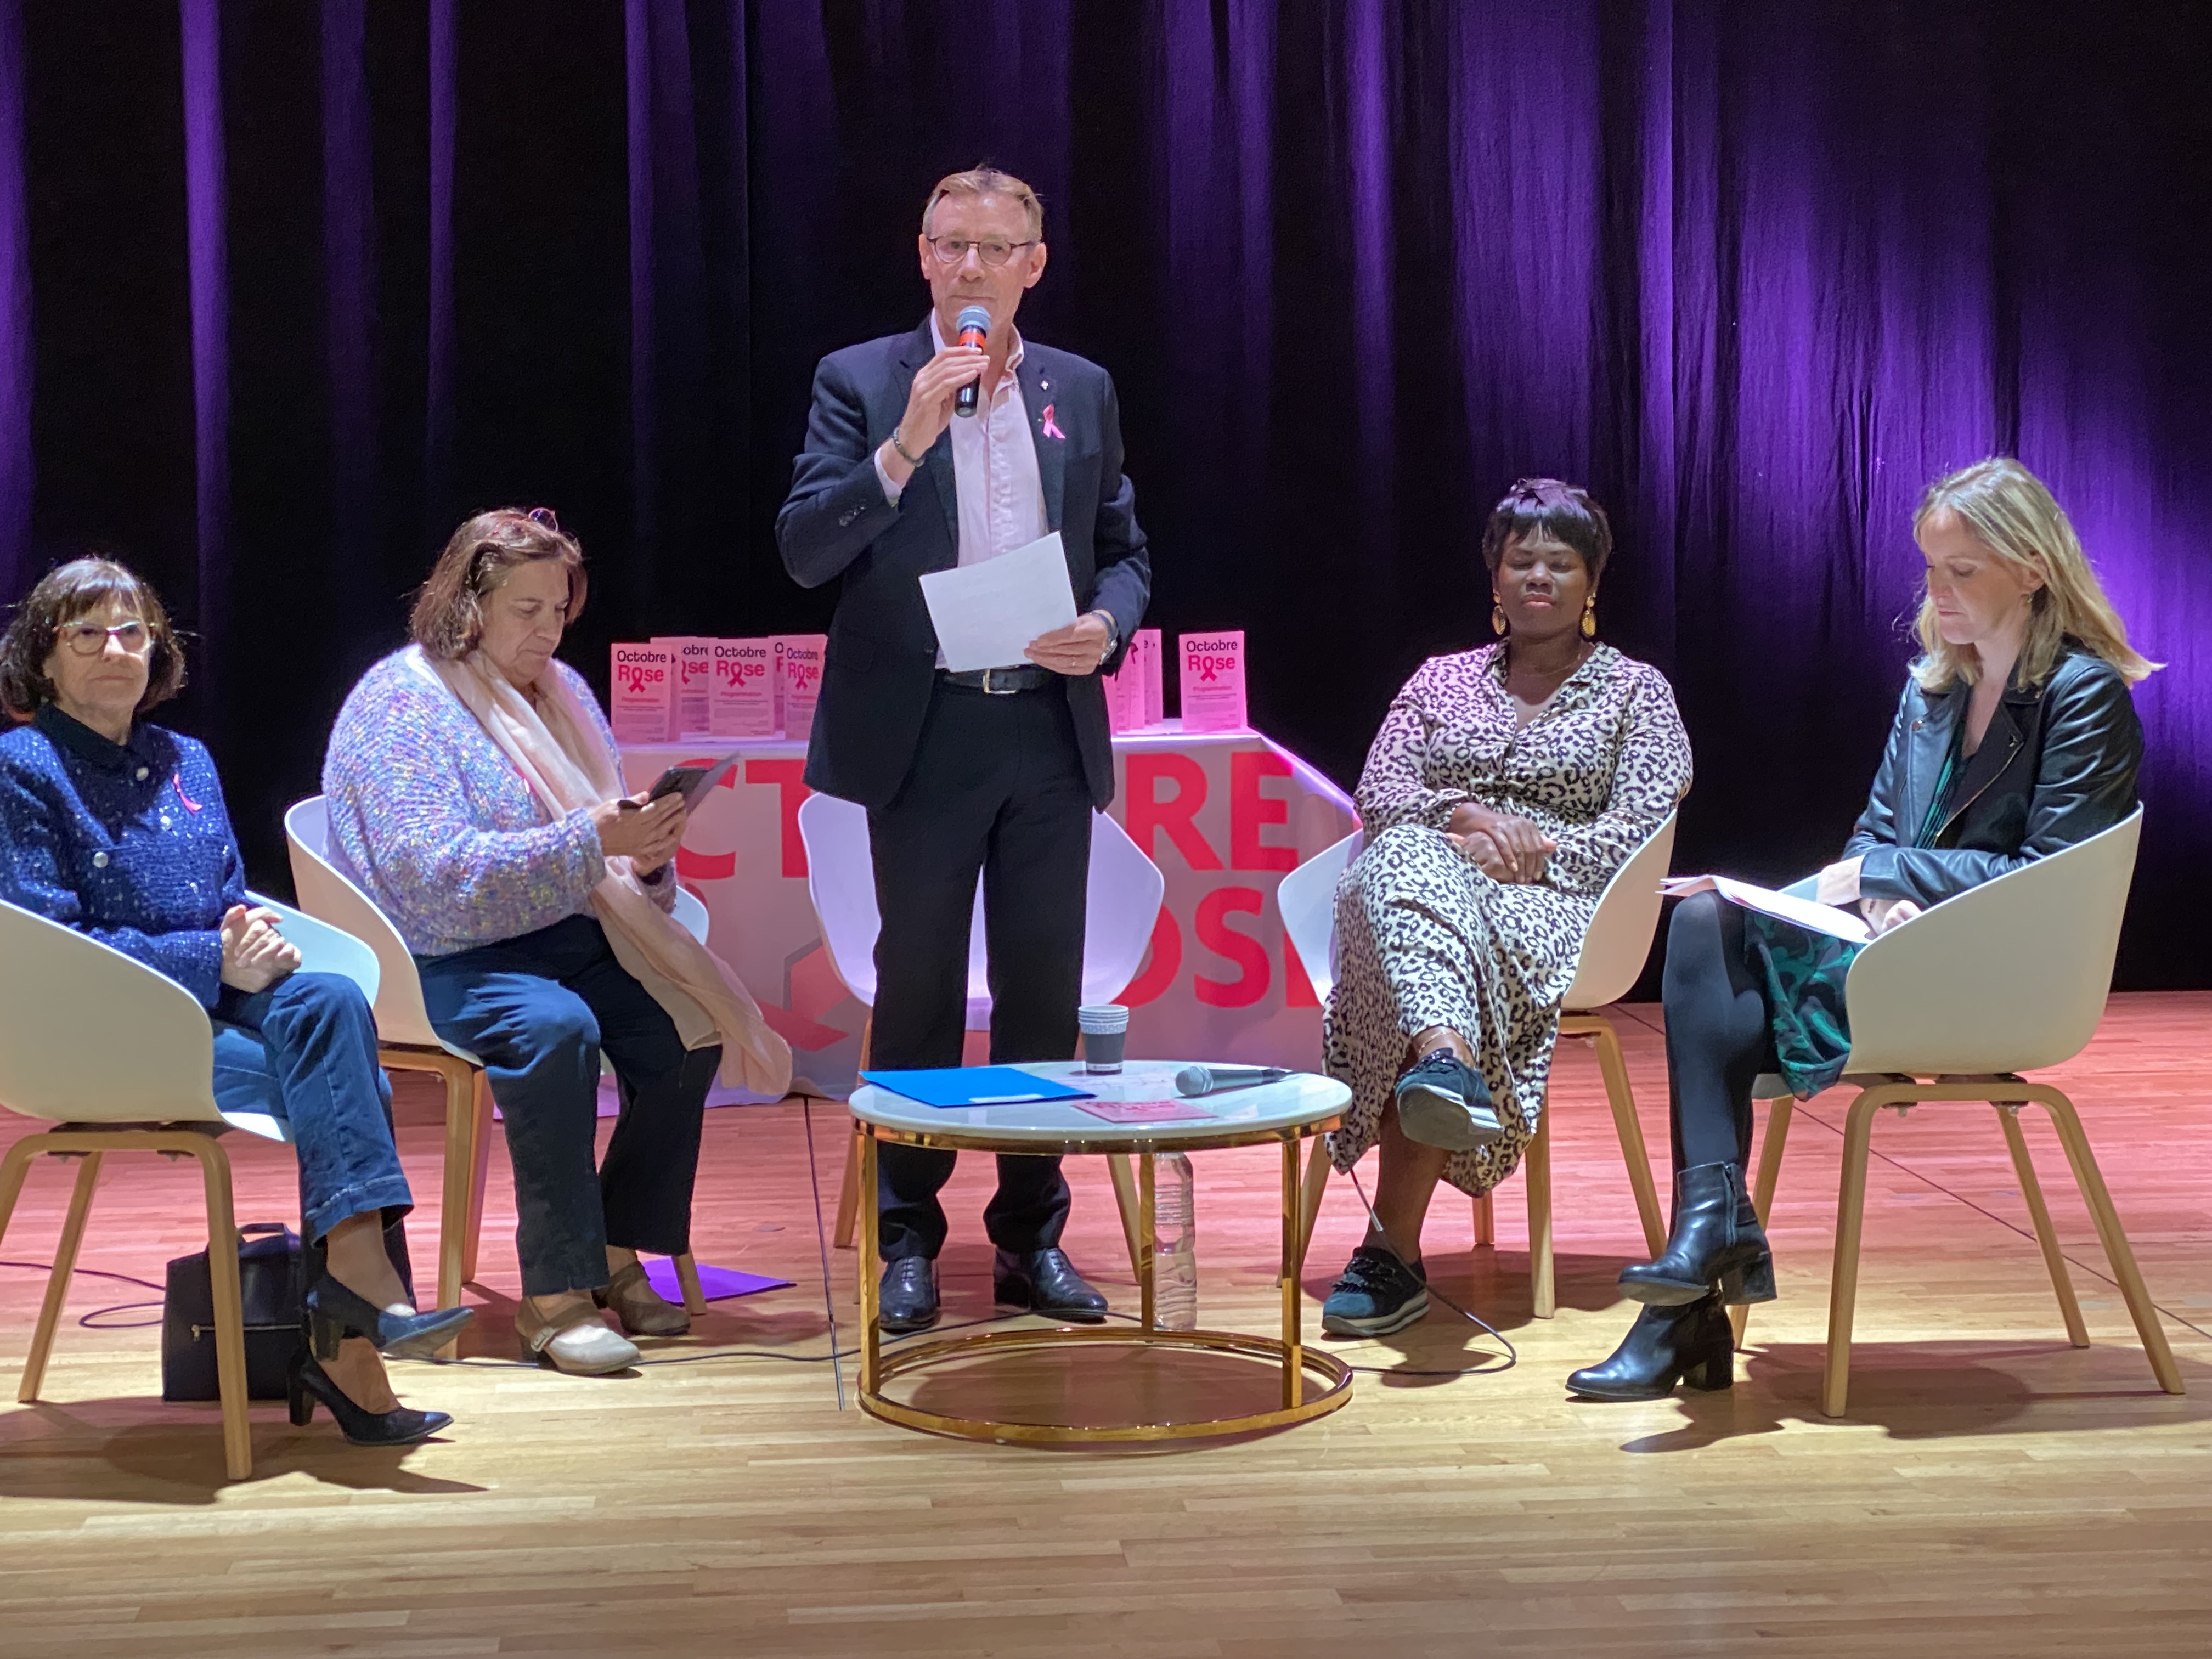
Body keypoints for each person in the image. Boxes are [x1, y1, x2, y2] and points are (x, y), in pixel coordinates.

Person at [1570, 456, 2157, 1400]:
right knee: (1705, 921)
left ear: (2034, 570)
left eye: (1964, 571)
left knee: (1718, 992)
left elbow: (2048, 873)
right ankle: (1701, 1251)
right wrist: (1879, 889)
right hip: (1898, 949)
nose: (1941, 592)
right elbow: (1873, 836)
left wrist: (1882, 877)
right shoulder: (1930, 692)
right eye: (1932, 570)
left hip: (2001, 971)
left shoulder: (2082, 695)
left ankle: (1689, 1299)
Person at [776, 167, 1150, 1333]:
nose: (972, 267)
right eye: (952, 247)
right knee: (922, 994)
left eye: (996, 248)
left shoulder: (1079, 389)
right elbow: (802, 549)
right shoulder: (862, 381)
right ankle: (907, 1239)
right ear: (923, 257)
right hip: (924, 733)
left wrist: (1110, 623)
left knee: (1043, 994)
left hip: (1043, 723)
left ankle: (1032, 1239)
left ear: (1035, 264)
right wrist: (904, 445)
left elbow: (1126, 549)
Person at [0, 557, 467, 1446]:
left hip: (209, 1002)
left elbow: (223, 899)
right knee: (340, 1078)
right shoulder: (22, 768)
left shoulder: (188, 761)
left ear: (158, 650)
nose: (114, 649)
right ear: (44, 658)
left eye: (132, 631)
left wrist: (252, 940)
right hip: (94, 1029)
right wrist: (212, 960)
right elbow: (43, 947)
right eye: (87, 633)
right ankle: (352, 1334)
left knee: (329, 997)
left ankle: (355, 1296)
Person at [323, 510, 791, 1375]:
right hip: (441, 953)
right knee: (556, 1031)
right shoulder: (403, 706)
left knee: (688, 1025)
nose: (549, 630)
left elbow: (605, 850)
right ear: (468, 603)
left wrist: (647, 853)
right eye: (526, 609)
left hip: (565, 931)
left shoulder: (562, 692)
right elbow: (434, 877)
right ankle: (556, 1294)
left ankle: (616, 1249)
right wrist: (592, 844)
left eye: (560, 608)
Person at [1319, 480, 1694, 1338]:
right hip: (1414, 883)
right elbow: (1381, 791)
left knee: (1412, 916)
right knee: (1408, 862)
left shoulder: (1638, 693)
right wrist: (1465, 820)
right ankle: (1441, 1071)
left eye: (1559, 563)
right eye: (1520, 560)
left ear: (1591, 583)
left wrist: (1530, 852)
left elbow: (1642, 821)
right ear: (1495, 579)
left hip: (1556, 909)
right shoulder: (1438, 680)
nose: (1538, 577)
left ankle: (1394, 1239)